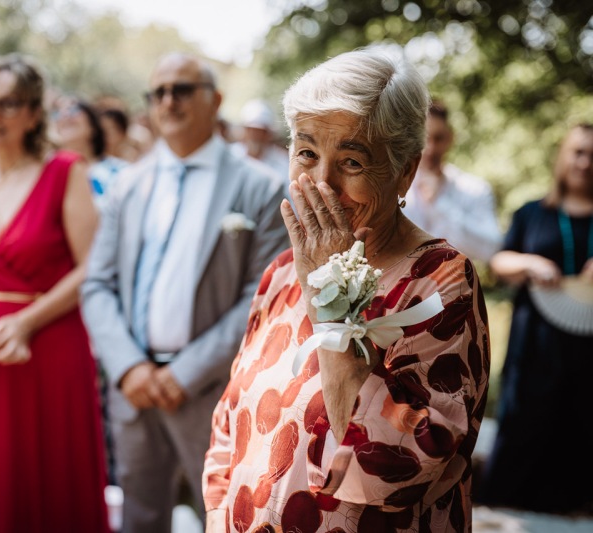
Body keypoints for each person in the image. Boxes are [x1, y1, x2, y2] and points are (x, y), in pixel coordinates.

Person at [203, 48, 490, 532]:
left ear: (405, 170)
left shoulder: (439, 283)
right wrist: (216, 515)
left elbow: (398, 469)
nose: (321, 184)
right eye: (307, 153)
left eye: (352, 161)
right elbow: (229, 427)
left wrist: (331, 297)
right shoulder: (281, 272)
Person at [81, 52, 288, 533]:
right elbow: (97, 284)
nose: (167, 101)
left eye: (181, 90)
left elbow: (262, 298)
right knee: (140, 516)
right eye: (158, 92)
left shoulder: (259, 187)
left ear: (215, 100)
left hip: (213, 390)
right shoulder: (127, 186)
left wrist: (186, 372)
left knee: (226, 516)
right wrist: (129, 366)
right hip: (133, 388)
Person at [0, 53, 108, 532]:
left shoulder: (65, 172)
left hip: (50, 344)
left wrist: (26, 322)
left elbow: (91, 265)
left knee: (52, 474)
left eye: (11, 103)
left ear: (34, 114)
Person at [477, 123, 593, 514]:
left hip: (588, 348)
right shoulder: (532, 213)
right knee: (523, 425)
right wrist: (528, 262)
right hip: (535, 345)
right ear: (563, 156)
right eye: (578, 152)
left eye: (592, 155)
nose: (585, 162)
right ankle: (500, 511)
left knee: (579, 430)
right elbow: (499, 262)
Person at [404, 102, 502, 262]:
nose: (430, 148)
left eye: (438, 138)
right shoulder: (394, 191)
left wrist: (440, 204)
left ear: (450, 138)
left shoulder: (475, 189)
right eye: (424, 138)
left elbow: (491, 249)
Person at [50, 97, 127, 211]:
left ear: (93, 125)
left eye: (73, 109)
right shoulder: (43, 174)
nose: (65, 116)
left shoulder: (122, 173)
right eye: (57, 113)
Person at [231, 98, 290, 187]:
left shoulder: (282, 162)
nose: (256, 136)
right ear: (244, 131)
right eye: (252, 130)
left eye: (261, 131)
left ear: (269, 134)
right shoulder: (231, 156)